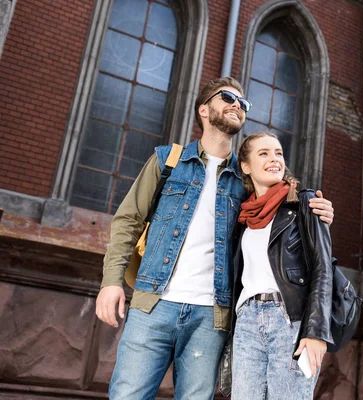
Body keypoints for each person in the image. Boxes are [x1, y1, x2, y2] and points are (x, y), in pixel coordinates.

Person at [95, 77, 334, 400]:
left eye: (243, 103)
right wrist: (111, 282)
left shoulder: (248, 175)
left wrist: (315, 207)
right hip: (153, 304)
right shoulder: (168, 161)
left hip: (212, 315)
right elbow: (128, 221)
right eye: (228, 98)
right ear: (204, 110)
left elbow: (282, 202)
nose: (238, 105)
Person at [231, 132, 333, 400]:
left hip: (290, 320)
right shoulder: (243, 216)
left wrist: (316, 332)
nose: (274, 159)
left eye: (278, 153)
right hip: (247, 322)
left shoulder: (305, 203)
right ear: (245, 166)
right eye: (263, 154)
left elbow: (323, 270)